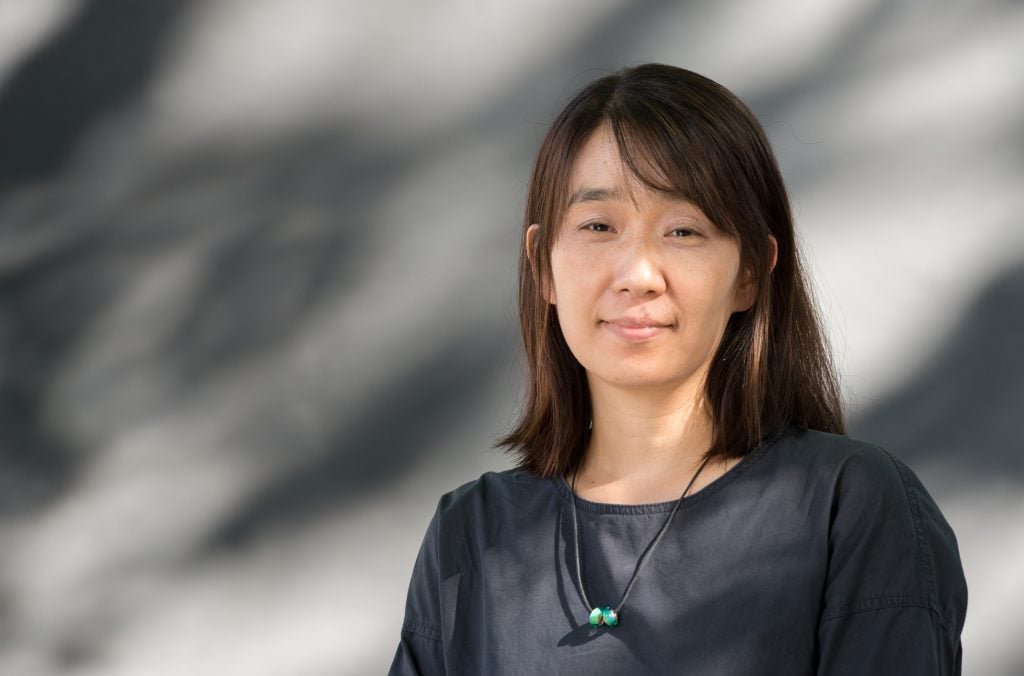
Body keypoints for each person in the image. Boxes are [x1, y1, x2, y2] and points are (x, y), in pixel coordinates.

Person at [389, 63, 967, 675]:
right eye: (598, 226)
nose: (637, 274)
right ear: (542, 266)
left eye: (683, 230)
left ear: (750, 272)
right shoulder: (471, 536)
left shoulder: (848, 508)